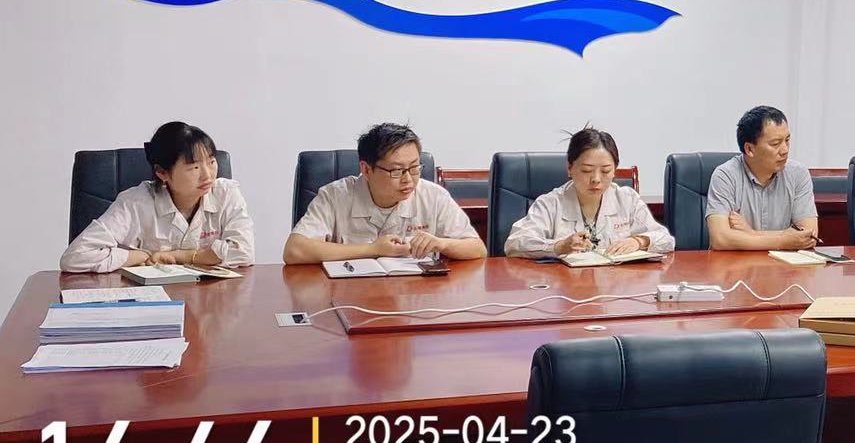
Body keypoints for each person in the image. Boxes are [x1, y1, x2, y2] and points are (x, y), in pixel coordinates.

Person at [60, 121, 255, 271]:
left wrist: (181, 257)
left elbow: (245, 252)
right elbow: (75, 257)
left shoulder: (226, 193)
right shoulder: (135, 203)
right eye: (194, 167)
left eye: (211, 162)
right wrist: (138, 256)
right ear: (162, 173)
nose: (208, 175)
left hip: (210, 300)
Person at [283, 122, 485, 264]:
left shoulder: (433, 196)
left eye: (414, 167)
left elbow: (477, 249)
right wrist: (373, 249)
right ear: (366, 169)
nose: (408, 179)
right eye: (396, 171)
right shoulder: (335, 196)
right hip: (349, 295)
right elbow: (295, 250)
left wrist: (442, 244)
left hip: (414, 296)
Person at [505, 127, 673, 258]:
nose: (596, 179)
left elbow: (666, 239)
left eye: (605, 171)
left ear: (615, 170)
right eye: (586, 170)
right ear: (569, 168)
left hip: (616, 284)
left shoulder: (627, 199)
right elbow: (515, 243)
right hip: (566, 285)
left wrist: (639, 241)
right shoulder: (551, 203)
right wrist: (558, 247)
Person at [705, 106, 819, 251]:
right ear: (749, 149)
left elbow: (809, 236)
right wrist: (783, 240)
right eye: (775, 144)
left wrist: (751, 234)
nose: (785, 150)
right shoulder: (725, 176)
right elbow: (720, 239)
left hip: (782, 265)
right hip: (737, 264)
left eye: (787, 140)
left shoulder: (798, 174)